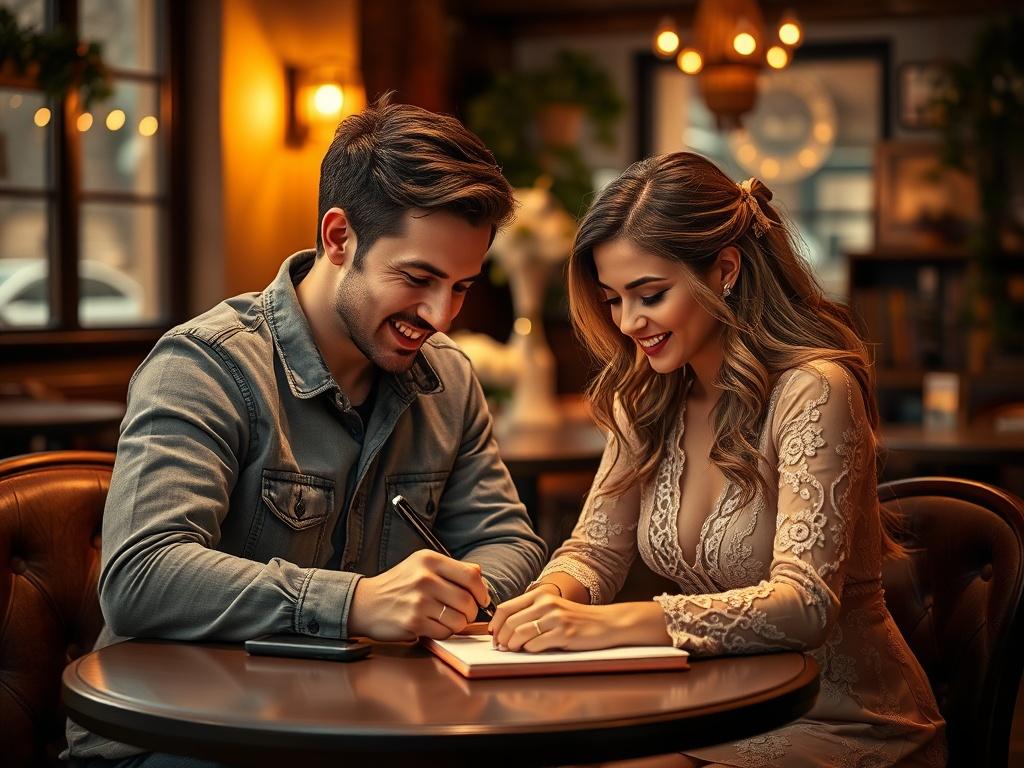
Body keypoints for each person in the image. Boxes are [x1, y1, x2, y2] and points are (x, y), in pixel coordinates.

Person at [65, 95, 546, 766]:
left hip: (369, 731)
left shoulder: (451, 381)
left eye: (462, 287)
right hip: (180, 741)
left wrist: (457, 594)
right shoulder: (205, 366)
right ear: (339, 237)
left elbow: (508, 542)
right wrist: (355, 604)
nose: (440, 315)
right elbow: (143, 575)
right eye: (418, 278)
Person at [489, 152, 946, 767]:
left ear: (725, 269)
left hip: (843, 722)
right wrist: (547, 603)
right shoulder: (647, 397)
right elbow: (594, 551)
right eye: (613, 299)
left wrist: (609, 625)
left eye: (649, 295)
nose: (628, 323)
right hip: (711, 707)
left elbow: (804, 604)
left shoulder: (814, 389)